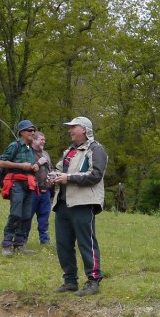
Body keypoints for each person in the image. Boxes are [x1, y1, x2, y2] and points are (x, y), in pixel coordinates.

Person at [51, 116, 107, 296]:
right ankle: (70, 281)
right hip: (62, 203)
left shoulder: (96, 149)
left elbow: (95, 175)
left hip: (84, 203)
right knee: (63, 244)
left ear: (83, 129)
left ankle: (93, 280)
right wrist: (53, 175)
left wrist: (69, 178)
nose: (69, 130)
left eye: (73, 127)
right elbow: (60, 170)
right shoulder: (69, 151)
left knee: (86, 243)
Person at [0, 120, 41, 256]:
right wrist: (21, 166)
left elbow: (31, 165)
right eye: (29, 130)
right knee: (16, 213)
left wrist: (34, 166)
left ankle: (19, 245)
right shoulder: (14, 145)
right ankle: (6, 244)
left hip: (29, 184)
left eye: (33, 130)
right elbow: (2, 162)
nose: (32, 133)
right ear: (21, 132)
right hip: (16, 183)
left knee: (27, 215)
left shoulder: (31, 149)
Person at [27, 131, 54, 247]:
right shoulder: (28, 153)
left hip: (46, 191)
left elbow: (50, 168)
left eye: (44, 139)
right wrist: (38, 162)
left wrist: (53, 174)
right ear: (34, 140)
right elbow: (26, 169)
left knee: (44, 218)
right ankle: (21, 241)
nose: (44, 142)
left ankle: (45, 242)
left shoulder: (46, 154)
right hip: (32, 191)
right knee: (27, 216)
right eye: (41, 139)